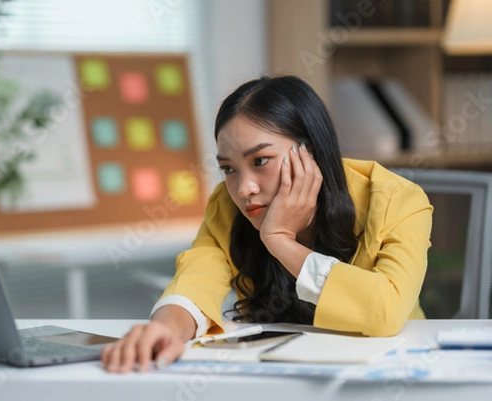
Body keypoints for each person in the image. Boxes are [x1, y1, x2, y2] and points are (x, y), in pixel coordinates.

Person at [101, 75, 433, 374]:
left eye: (260, 161)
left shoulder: (398, 200)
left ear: (312, 153)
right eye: (229, 168)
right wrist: (165, 329)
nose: (244, 189)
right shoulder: (226, 204)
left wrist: (281, 241)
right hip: (278, 377)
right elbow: (196, 279)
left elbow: (385, 312)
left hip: (389, 373)